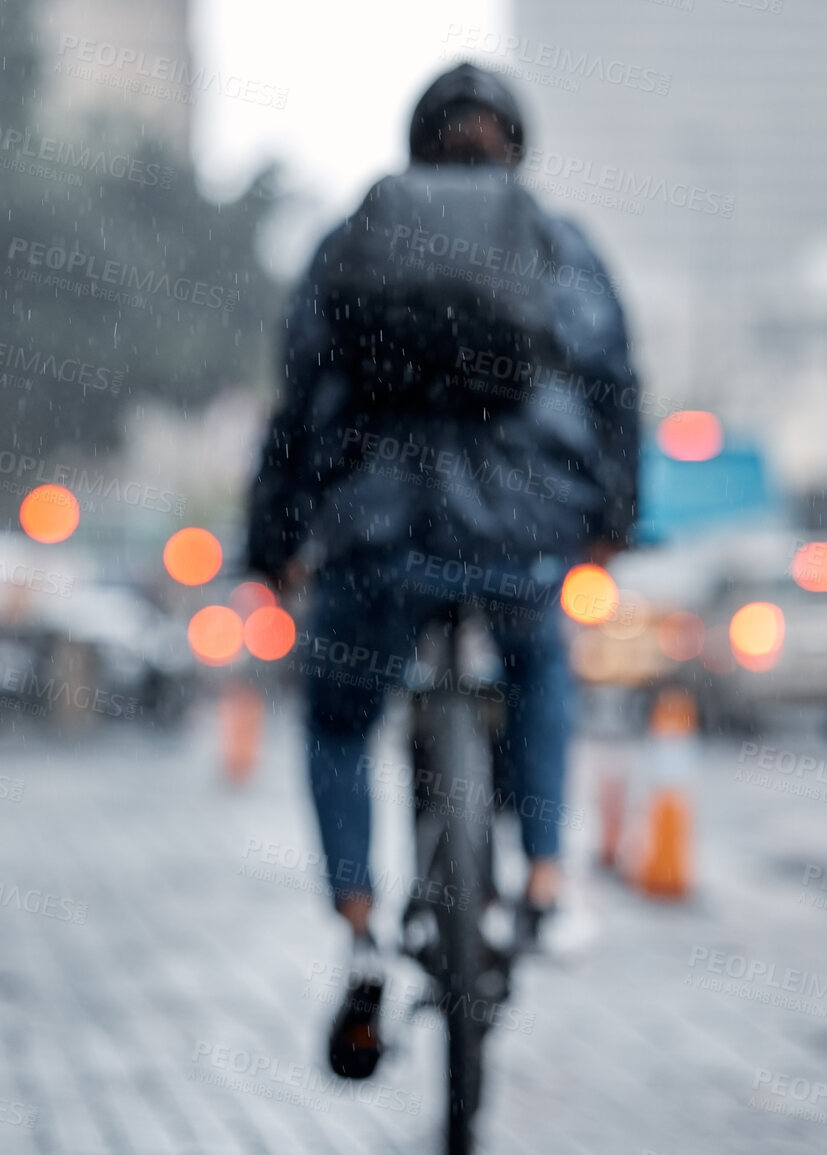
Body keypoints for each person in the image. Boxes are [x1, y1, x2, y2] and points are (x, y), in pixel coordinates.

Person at [244, 63, 639, 1079]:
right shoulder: (561, 246)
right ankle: (546, 883)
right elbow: (611, 389)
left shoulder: (356, 238)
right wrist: (609, 522)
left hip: (377, 535)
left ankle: (362, 927)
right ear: (517, 146)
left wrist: (274, 542)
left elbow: (298, 401)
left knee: (338, 722)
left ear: (416, 145)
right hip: (519, 531)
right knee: (540, 664)